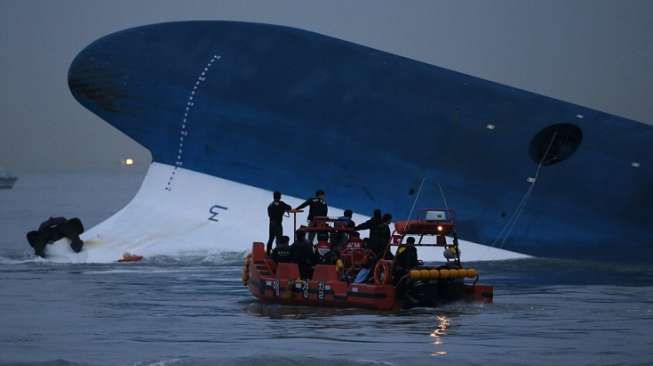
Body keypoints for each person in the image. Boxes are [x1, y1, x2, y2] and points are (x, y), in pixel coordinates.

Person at [267, 191, 292, 255]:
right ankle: (278, 254)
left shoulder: (270, 205)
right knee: (278, 239)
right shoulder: (281, 204)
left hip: (271, 224)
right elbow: (289, 207)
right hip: (277, 224)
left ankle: (268, 253)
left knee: (271, 239)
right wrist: (283, 210)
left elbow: (270, 216)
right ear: (280, 197)